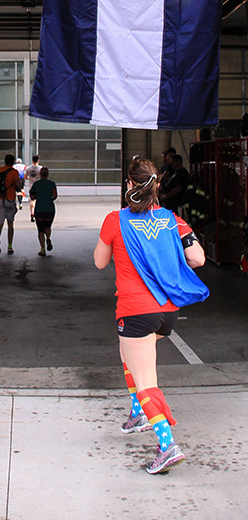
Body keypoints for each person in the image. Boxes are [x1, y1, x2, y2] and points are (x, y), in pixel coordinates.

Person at [94, 158, 208, 474]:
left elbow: (100, 262)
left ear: (130, 186)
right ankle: (138, 414)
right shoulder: (173, 219)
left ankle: (166, 444)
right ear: (157, 186)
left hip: (135, 312)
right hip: (167, 312)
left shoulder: (116, 220)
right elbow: (197, 258)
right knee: (129, 356)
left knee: (146, 382)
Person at [0, 154, 22, 255]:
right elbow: (18, 185)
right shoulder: (14, 172)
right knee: (10, 224)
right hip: (10, 199)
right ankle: (10, 246)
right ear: (13, 162)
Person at [30, 167, 58, 255]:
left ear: (40, 174)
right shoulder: (52, 184)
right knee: (48, 227)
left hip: (39, 209)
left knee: (40, 230)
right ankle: (48, 238)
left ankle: (42, 249)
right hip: (50, 208)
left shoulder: (36, 184)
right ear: (48, 174)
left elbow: (32, 196)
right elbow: (55, 195)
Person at [24, 155, 43, 219]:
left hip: (31, 186)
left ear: (32, 160)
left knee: (32, 200)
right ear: (38, 160)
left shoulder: (28, 168)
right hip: (39, 187)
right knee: (39, 201)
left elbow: (25, 177)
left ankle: (32, 212)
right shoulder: (41, 168)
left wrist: (30, 178)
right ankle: (38, 213)